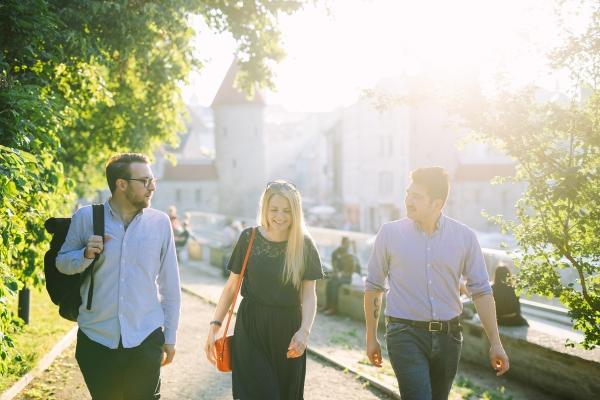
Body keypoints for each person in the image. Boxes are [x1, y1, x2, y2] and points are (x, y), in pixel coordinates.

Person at [364, 167, 509, 400]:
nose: (408, 201)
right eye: (408, 193)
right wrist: (371, 338)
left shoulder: (464, 237)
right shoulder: (389, 234)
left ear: (437, 203)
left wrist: (496, 343)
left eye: (417, 196)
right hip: (404, 334)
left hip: (449, 337)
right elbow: (374, 287)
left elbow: (481, 291)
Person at [56, 153, 181, 400]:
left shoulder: (160, 223)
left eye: (152, 179)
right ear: (121, 184)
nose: (152, 187)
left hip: (145, 336)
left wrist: (170, 337)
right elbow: (62, 263)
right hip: (96, 337)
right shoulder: (86, 218)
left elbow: (170, 285)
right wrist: (85, 255)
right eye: (144, 181)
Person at [204, 180, 324, 399]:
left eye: (287, 210)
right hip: (251, 328)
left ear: (296, 212)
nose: (280, 216)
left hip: (288, 330)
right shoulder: (248, 238)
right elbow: (231, 287)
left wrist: (304, 331)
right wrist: (215, 326)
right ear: (265, 209)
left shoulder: (305, 245)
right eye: (274, 209)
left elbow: (308, 295)